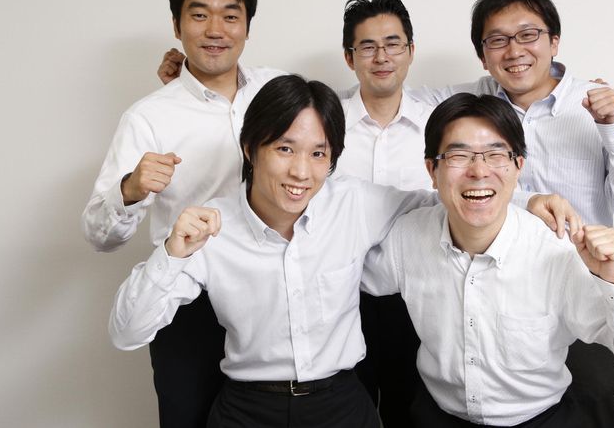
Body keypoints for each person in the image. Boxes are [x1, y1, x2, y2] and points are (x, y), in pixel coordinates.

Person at [109, 75, 438, 428]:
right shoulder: (212, 225)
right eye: (285, 149)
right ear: (250, 148)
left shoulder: (354, 202)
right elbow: (126, 333)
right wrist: (172, 254)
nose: (301, 172)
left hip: (341, 404)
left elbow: (443, 207)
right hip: (248, 408)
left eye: (318, 153)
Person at [412, 0, 614, 426]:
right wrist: (528, 200)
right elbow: (392, 104)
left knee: (592, 402)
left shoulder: (597, 103)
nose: (514, 51)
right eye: (497, 40)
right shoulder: (468, 107)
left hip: (579, 286)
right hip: (501, 292)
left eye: (528, 35)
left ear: (554, 41)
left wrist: (613, 127)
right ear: (482, 55)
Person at [363, 93, 614, 428]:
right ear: (432, 170)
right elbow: (348, 275)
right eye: (459, 155)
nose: (479, 171)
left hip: (540, 418)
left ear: (519, 166)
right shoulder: (408, 237)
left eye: (496, 155)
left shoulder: (557, 251)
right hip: (437, 415)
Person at [82, 0, 285, 428]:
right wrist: (130, 188)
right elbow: (98, 235)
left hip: (272, 293)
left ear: (247, 27)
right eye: (199, 15)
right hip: (190, 303)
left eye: (230, 16)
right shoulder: (149, 117)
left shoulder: (277, 90)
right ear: (176, 25)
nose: (215, 29)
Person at [336, 0, 433, 425]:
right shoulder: (323, 122)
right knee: (345, 415)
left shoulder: (438, 124)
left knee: (410, 414)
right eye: (368, 46)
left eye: (393, 44)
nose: (382, 57)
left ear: (410, 51)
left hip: (418, 298)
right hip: (339, 296)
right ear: (349, 57)